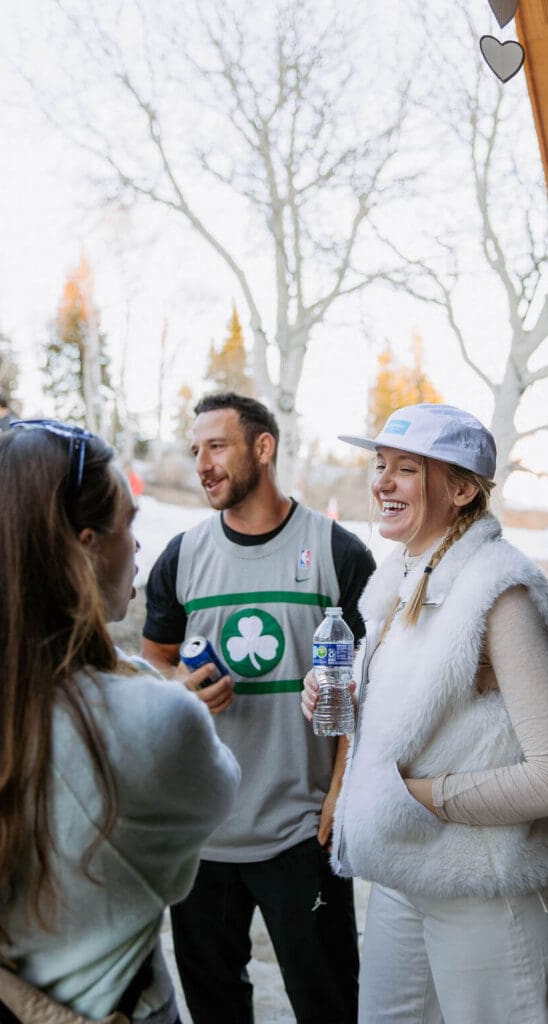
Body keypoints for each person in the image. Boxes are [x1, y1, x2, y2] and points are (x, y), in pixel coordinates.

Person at [302, 403, 548, 1024]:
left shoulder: (499, 592)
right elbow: (420, 717)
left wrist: (415, 796)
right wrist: (350, 700)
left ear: (461, 489)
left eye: (405, 469)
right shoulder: (397, 582)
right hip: (405, 875)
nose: (381, 482)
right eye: (380, 466)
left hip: (492, 889)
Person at [0, 420, 240, 1024]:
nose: (138, 547)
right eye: (128, 524)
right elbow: (184, 854)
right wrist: (160, 694)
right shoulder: (162, 720)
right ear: (84, 547)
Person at [142, 392, 375, 1024]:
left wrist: (340, 793)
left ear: (262, 448)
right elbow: (154, 661)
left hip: (304, 827)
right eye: (196, 451)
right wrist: (178, 688)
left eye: (216, 446)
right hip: (203, 832)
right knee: (216, 1008)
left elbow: (369, 685)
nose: (202, 464)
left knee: (330, 1004)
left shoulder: (337, 552)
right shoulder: (183, 555)